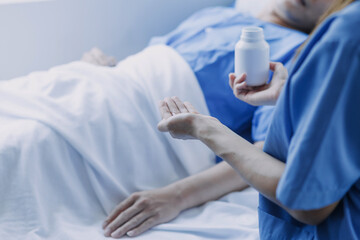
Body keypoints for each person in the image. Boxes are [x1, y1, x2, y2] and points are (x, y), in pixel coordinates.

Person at [101, 0, 336, 238]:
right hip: (106, 85)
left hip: (147, 125)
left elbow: (265, 151)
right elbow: (148, 65)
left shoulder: (295, 55)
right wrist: (103, 68)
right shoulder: (214, 15)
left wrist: (177, 196)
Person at [155, 0, 360, 239]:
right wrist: (291, 95)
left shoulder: (346, 35)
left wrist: (206, 129)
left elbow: (308, 202)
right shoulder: (217, 16)